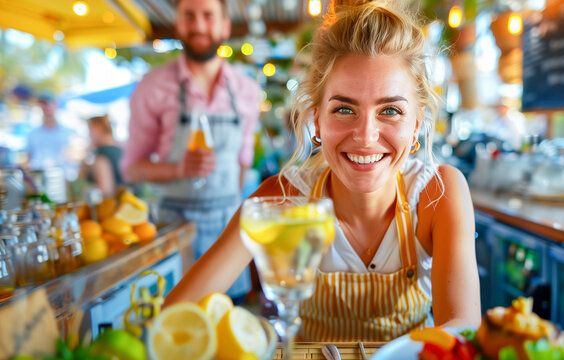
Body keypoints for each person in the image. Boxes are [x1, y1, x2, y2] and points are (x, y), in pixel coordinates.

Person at [166, 0, 480, 341]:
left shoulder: (439, 193)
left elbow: (460, 333)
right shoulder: (283, 198)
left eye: (390, 110)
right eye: (344, 109)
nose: (365, 136)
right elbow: (175, 317)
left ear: (416, 124)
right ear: (316, 119)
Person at [120, 0, 261, 302]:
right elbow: (131, 167)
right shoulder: (152, 86)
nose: (198, 25)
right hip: (173, 237)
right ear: (178, 24)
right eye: (189, 16)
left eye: (208, 16)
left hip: (228, 238)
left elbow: (242, 164)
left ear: (225, 26)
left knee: (227, 331)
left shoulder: (247, 90)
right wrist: (178, 169)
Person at [26, 93, 76, 176]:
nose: (46, 107)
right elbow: (29, 159)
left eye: (49, 103)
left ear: (56, 105)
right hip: (39, 179)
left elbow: (76, 159)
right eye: (43, 104)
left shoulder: (69, 133)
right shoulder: (32, 134)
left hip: (63, 180)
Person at [79, 115, 123, 197]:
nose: (89, 136)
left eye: (89, 131)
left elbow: (105, 190)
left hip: (110, 206)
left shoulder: (101, 156)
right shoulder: (120, 150)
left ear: (97, 129)